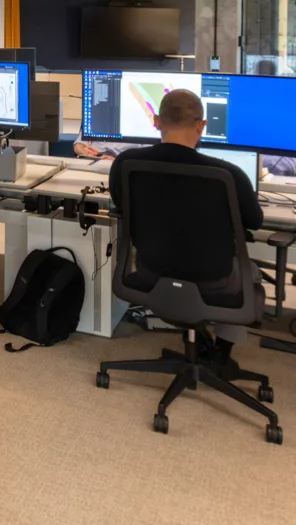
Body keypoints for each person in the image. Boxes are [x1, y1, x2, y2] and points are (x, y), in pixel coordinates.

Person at [108, 88, 263, 365]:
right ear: (202, 125)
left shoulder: (126, 164)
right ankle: (221, 354)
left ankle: (197, 335)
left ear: (156, 122)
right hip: (214, 279)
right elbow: (254, 222)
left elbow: (121, 204)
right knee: (250, 270)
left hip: (151, 270)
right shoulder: (229, 174)